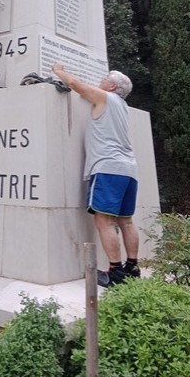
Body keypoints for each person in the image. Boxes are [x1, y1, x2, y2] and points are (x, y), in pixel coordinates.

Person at [52, 63, 140, 286]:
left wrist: (58, 70)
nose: (101, 80)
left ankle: (115, 272)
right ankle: (132, 268)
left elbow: (75, 84)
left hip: (108, 167)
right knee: (126, 221)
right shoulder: (123, 106)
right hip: (128, 169)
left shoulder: (105, 98)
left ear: (112, 86)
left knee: (104, 221)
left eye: (105, 78)